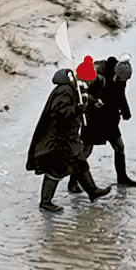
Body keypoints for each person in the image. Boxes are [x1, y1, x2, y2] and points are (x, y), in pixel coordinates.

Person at [24, 66, 102, 208]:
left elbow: (80, 98)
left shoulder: (72, 89)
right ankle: (45, 202)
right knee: (56, 170)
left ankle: (92, 191)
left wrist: (90, 102)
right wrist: (79, 109)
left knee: (79, 163)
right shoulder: (64, 90)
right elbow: (60, 113)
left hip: (68, 136)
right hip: (59, 139)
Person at [80, 55, 136, 188]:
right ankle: (74, 182)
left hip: (111, 119)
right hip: (94, 119)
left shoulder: (121, 76)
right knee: (86, 149)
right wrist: (94, 101)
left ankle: (122, 178)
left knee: (119, 147)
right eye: (119, 78)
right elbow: (85, 94)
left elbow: (120, 94)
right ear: (115, 72)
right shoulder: (98, 76)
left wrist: (125, 111)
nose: (121, 81)